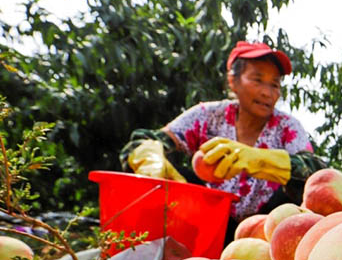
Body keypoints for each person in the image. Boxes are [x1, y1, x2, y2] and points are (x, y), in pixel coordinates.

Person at [120, 41, 326, 238]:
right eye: (257, 80)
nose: (267, 92)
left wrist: (259, 160)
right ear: (233, 81)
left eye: (275, 84)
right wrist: (150, 159)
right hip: (208, 223)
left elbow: (316, 173)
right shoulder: (208, 115)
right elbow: (148, 139)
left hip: (263, 229)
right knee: (180, 177)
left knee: (293, 193)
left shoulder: (287, 127)